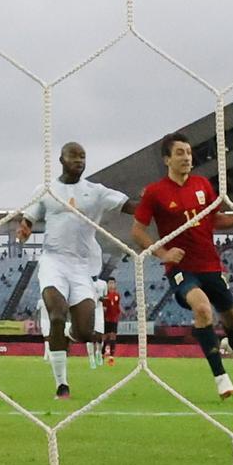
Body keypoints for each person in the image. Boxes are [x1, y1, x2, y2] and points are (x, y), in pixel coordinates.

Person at [131, 133, 233, 399]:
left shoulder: (202, 185)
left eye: (188, 152)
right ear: (167, 159)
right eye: (179, 153)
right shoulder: (155, 192)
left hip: (210, 264)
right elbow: (137, 231)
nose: (187, 157)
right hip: (181, 269)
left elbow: (211, 220)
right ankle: (221, 377)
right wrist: (162, 254)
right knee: (202, 309)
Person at [17, 142, 138, 399]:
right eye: (74, 156)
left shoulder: (95, 192)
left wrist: (153, 204)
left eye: (83, 156)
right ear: (61, 160)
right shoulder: (47, 190)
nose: (79, 160)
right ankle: (62, 385)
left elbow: (130, 206)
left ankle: (69, 337)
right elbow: (28, 218)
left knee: (84, 332)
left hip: (82, 266)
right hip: (53, 261)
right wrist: (25, 228)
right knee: (57, 315)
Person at [101, 278, 121, 365]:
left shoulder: (117, 295)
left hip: (114, 319)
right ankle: (102, 355)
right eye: (110, 283)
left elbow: (117, 306)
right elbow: (104, 307)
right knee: (105, 337)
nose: (111, 285)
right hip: (106, 319)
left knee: (113, 336)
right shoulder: (105, 295)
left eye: (113, 283)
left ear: (115, 284)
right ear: (107, 284)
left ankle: (111, 357)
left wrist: (120, 313)